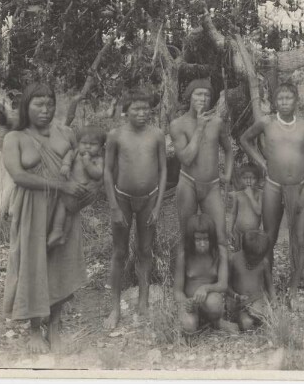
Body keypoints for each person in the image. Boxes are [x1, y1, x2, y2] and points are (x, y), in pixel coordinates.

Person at [2, 83, 91, 353]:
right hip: (32, 207)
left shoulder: (65, 132)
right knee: (32, 263)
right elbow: (19, 176)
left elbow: (80, 163)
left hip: (63, 208)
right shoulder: (14, 138)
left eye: (49, 103)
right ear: (26, 107)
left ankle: (54, 323)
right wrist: (61, 186)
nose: (45, 109)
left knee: (59, 262)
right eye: (38, 104)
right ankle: (34, 329)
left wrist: (80, 192)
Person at [240, 82, 304, 309]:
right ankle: (267, 288)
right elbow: (245, 140)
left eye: (288, 98)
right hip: (273, 186)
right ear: (275, 101)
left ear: (296, 100)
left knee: (299, 240)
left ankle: (293, 290)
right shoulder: (267, 122)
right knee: (268, 238)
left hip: (299, 186)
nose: (284, 102)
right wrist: (261, 162)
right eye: (280, 98)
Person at [103, 89, 167, 329]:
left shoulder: (157, 135)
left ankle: (143, 301)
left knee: (145, 250)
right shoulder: (116, 135)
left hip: (149, 199)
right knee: (119, 253)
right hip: (122, 199)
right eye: (136, 109)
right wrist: (113, 207)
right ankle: (115, 308)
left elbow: (162, 171)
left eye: (146, 108)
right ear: (125, 111)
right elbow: (108, 172)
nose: (142, 113)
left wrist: (158, 206)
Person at [170, 78, 233, 282]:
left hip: (212, 186)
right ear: (189, 96)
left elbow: (229, 150)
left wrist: (228, 174)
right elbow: (187, 158)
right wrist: (198, 127)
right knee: (187, 235)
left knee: (221, 237)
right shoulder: (178, 125)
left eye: (206, 95)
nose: (203, 98)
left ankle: (222, 283)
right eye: (198, 94)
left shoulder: (217, 122)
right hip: (187, 183)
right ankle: (186, 284)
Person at [47, 126, 105, 250]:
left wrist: (87, 163)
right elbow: (69, 155)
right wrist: (66, 165)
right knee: (69, 213)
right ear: (78, 143)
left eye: (93, 144)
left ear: (100, 147)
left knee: (63, 204)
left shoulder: (98, 160)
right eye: (84, 143)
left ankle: (57, 230)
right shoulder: (77, 152)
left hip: (84, 191)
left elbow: (98, 174)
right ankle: (63, 237)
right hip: (73, 186)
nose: (87, 147)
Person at [173, 214, 228, 333]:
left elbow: (223, 285)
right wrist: (185, 302)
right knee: (189, 326)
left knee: (215, 305)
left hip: (209, 301)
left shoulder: (220, 252)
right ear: (191, 239)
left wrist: (206, 288)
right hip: (189, 301)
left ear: (212, 238)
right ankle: (199, 321)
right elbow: (177, 291)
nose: (202, 244)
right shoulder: (184, 255)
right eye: (198, 240)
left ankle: (214, 321)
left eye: (206, 239)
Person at [227, 229, 276, 331]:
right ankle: (252, 318)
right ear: (245, 251)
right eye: (253, 259)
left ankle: (260, 316)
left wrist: (274, 300)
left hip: (258, 300)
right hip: (240, 304)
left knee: (261, 315)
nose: (256, 262)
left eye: (259, 258)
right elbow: (226, 285)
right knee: (246, 324)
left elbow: (269, 285)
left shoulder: (264, 262)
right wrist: (236, 296)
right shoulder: (233, 259)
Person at [228, 164, 262, 251]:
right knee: (239, 256)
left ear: (258, 180)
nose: (249, 181)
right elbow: (233, 213)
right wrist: (229, 229)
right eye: (245, 178)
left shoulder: (260, 194)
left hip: (254, 235)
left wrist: (251, 196)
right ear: (240, 179)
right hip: (238, 233)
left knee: (251, 256)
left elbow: (259, 211)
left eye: (252, 178)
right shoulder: (238, 195)